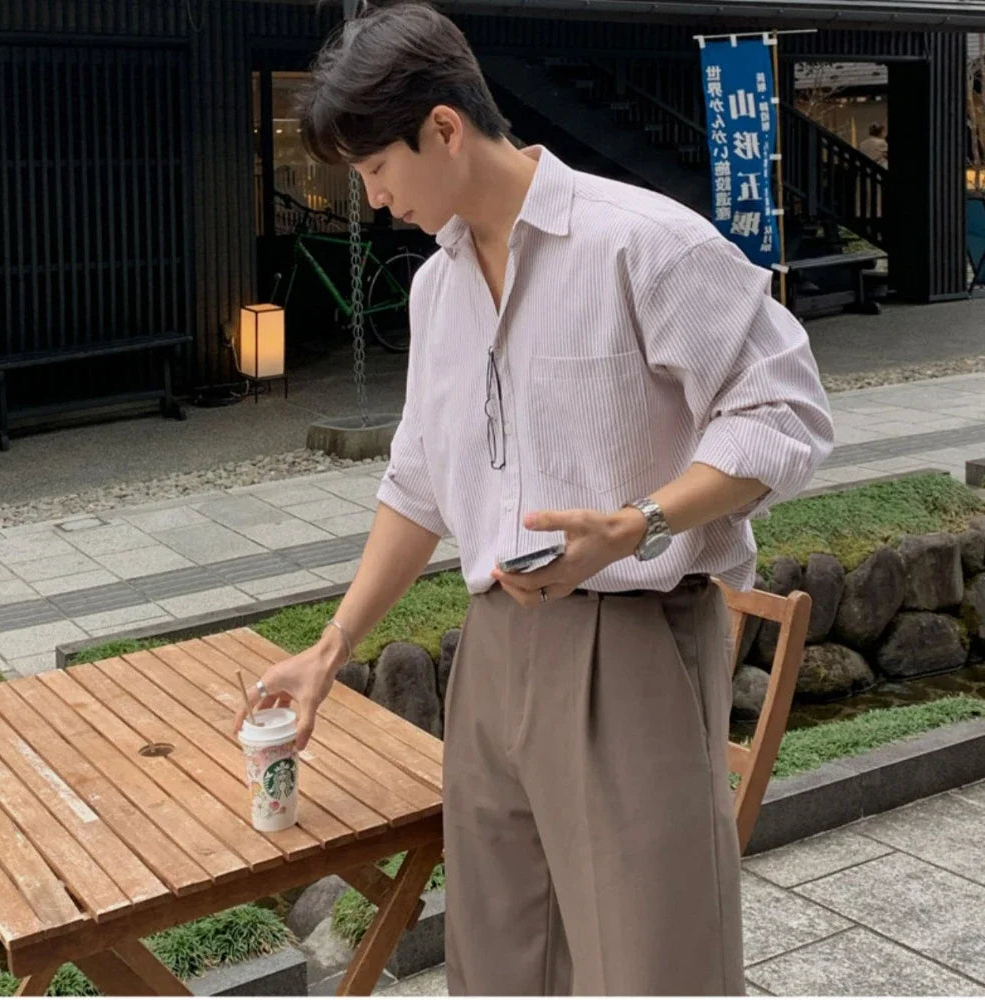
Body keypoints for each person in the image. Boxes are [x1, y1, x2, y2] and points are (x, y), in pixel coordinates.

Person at [233, 3, 834, 994]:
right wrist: (330, 649)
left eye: (376, 169)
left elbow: (786, 413)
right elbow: (417, 483)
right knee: (500, 962)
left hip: (632, 647)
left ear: (442, 127)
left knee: (653, 966)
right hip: (493, 650)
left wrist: (641, 521)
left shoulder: (645, 244)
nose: (374, 199)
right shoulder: (436, 289)